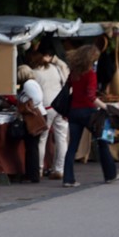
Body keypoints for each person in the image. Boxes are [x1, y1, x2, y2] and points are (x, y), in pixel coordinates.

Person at [62, 44, 119, 187]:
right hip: (88, 112)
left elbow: (69, 87)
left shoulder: (74, 72)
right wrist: (106, 107)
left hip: (74, 112)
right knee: (102, 142)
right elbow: (90, 96)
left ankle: (68, 179)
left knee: (72, 146)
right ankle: (110, 174)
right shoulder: (90, 74)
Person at [27, 47, 69, 180]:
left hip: (45, 107)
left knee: (42, 140)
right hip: (60, 105)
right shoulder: (54, 68)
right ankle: (59, 169)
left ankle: (39, 169)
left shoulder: (34, 73)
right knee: (61, 139)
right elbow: (63, 82)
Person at [16, 65, 45, 183]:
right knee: (32, 146)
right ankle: (31, 173)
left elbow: (36, 99)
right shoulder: (32, 83)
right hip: (38, 114)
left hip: (33, 116)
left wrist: (27, 106)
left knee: (32, 147)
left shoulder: (28, 84)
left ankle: (33, 174)